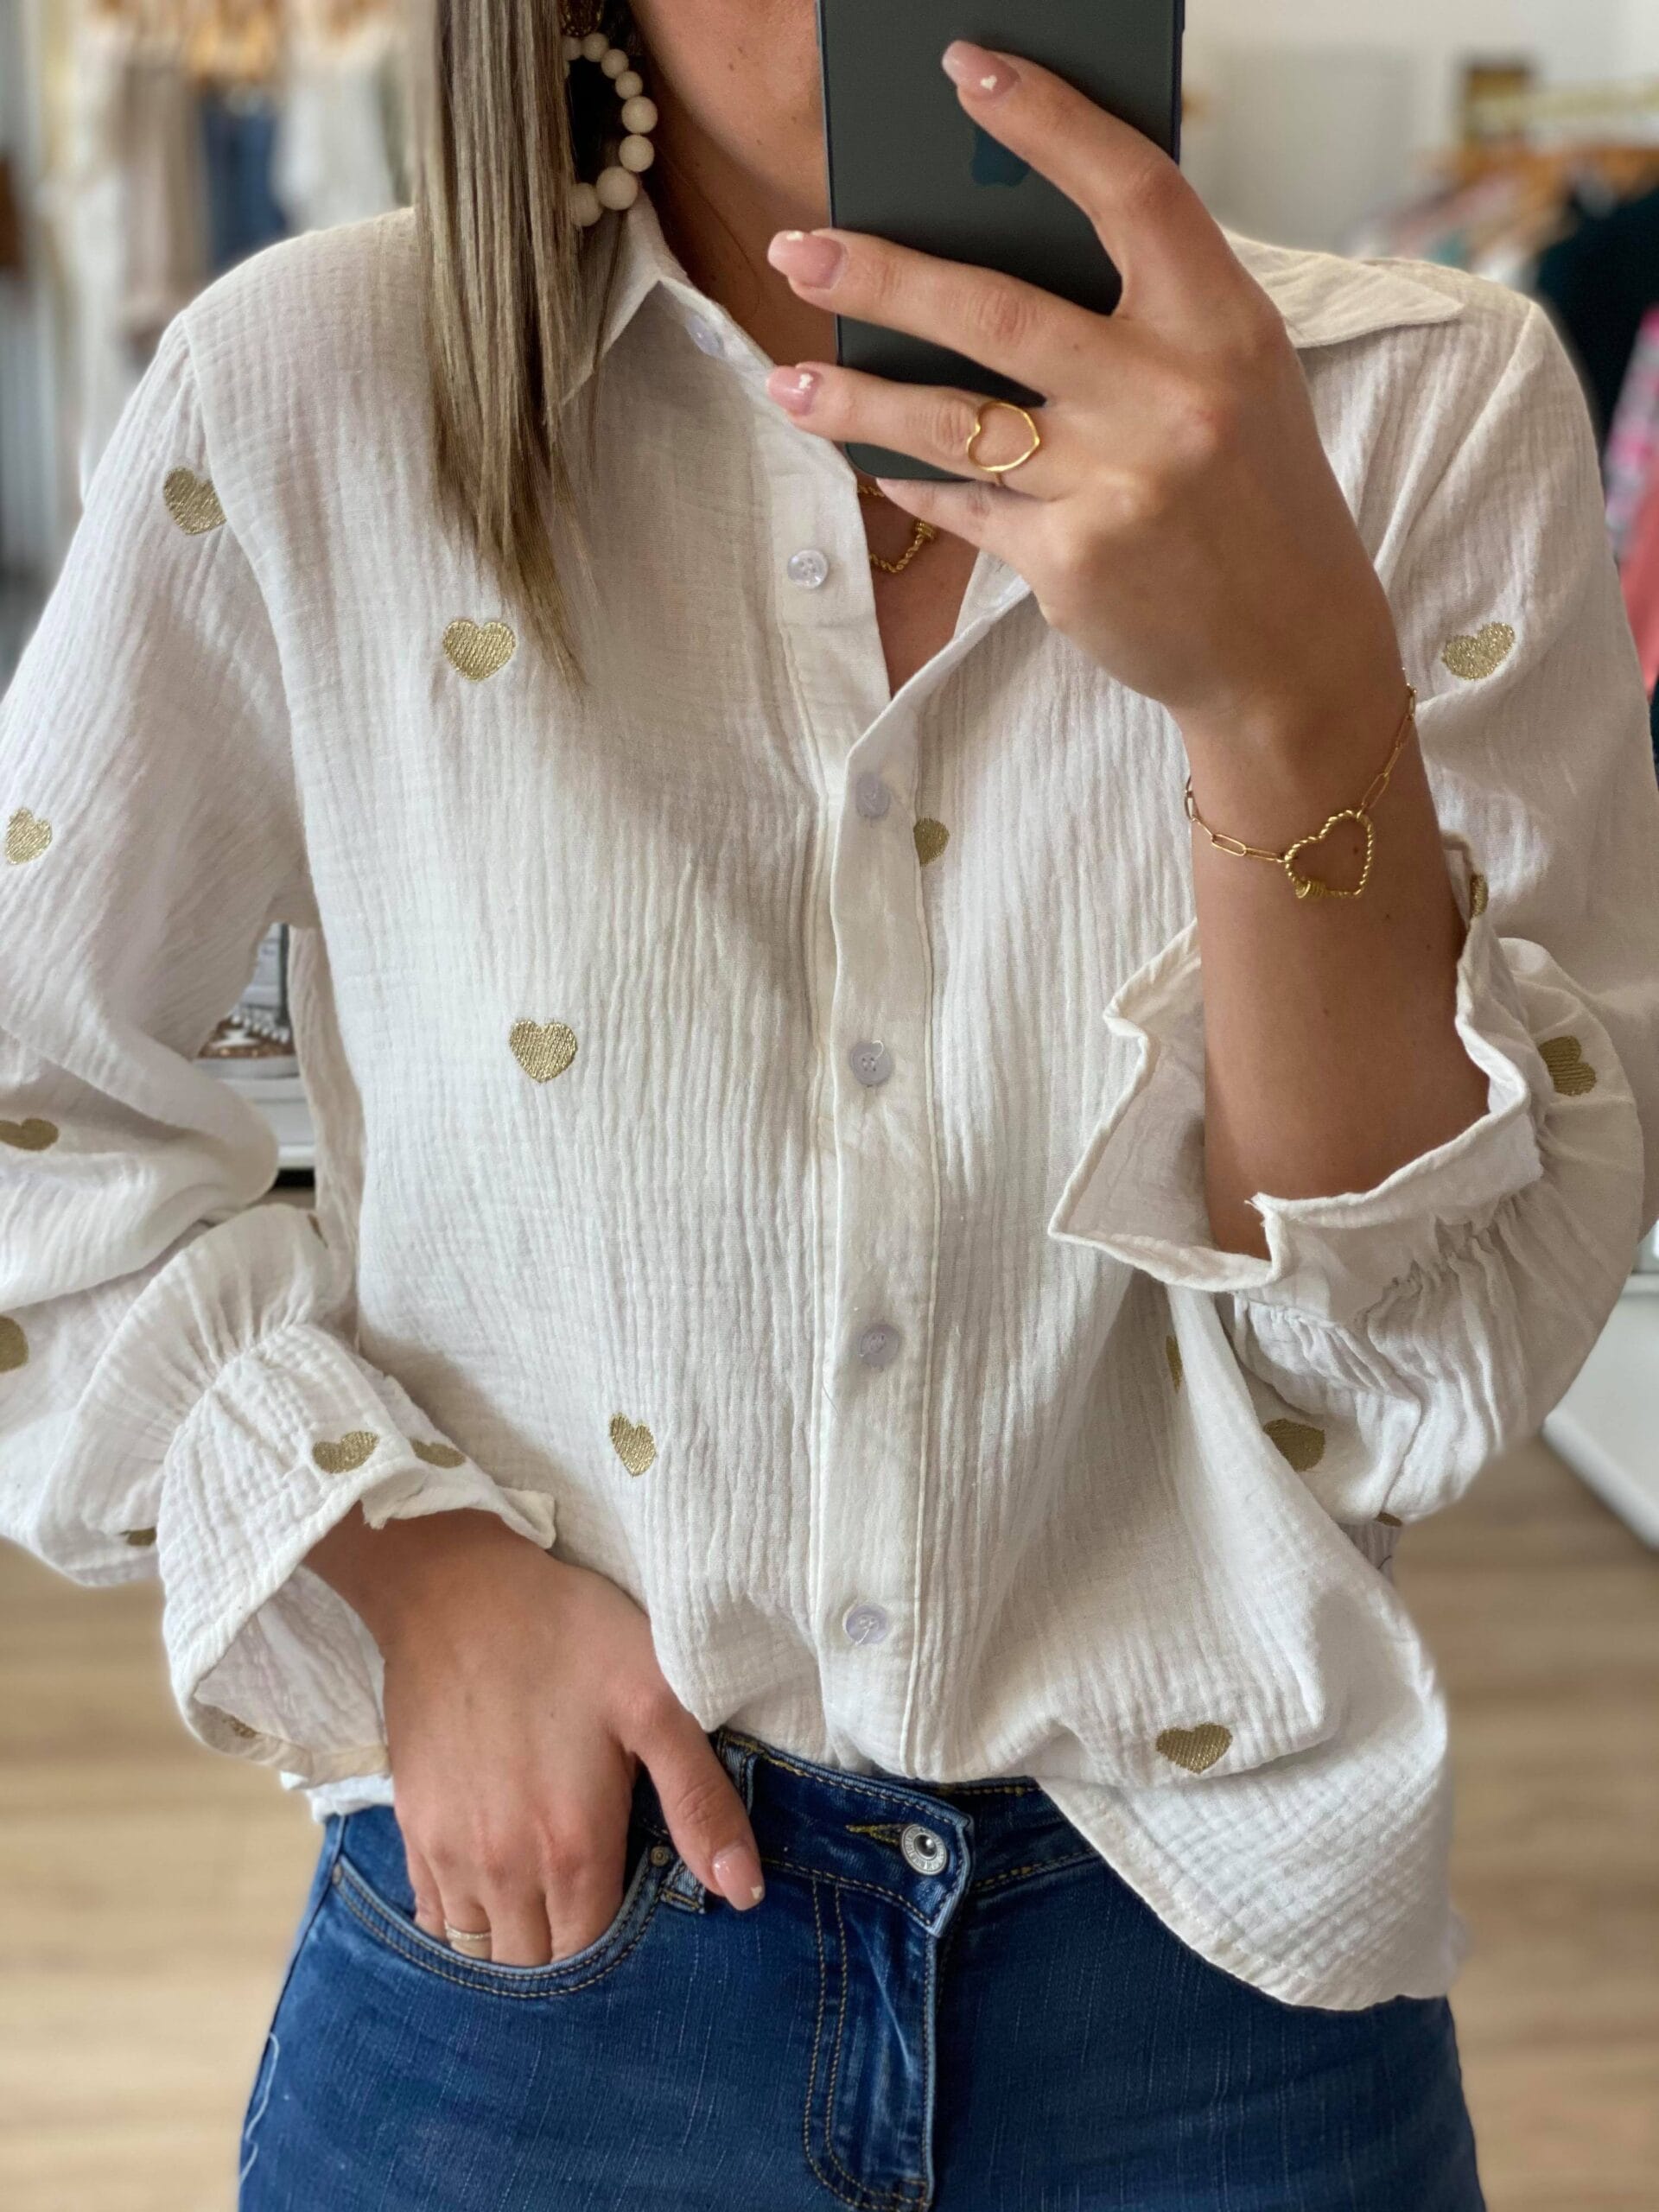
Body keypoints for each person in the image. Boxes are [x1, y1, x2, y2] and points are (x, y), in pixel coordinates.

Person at [3, 4, 1657, 2207]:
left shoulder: (1422, 408)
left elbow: (1416, 1357)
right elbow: (32, 1106)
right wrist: (404, 1569)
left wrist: (1284, 695)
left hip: (1214, 1987)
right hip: (542, 1937)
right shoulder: (316, 385)